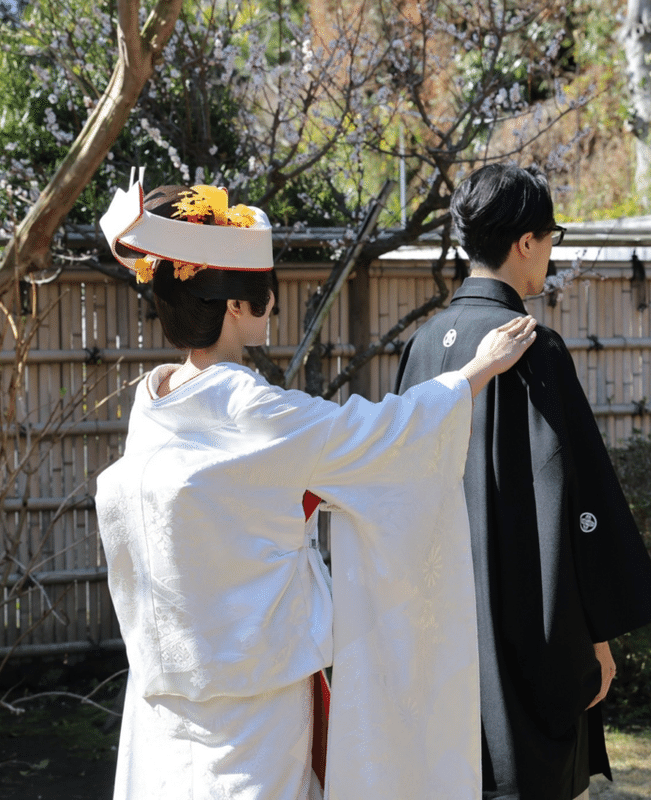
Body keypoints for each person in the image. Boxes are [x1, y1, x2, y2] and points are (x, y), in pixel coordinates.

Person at [94, 169, 538, 800]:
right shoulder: (252, 409)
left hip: (165, 689)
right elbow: (379, 438)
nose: (273, 303)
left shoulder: (155, 403)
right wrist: (474, 371)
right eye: (264, 291)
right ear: (235, 306)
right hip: (256, 692)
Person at [395, 164, 651, 800]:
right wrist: (596, 635)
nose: (550, 253)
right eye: (551, 237)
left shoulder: (423, 346)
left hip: (437, 621)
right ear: (526, 242)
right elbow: (575, 501)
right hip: (524, 626)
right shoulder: (531, 347)